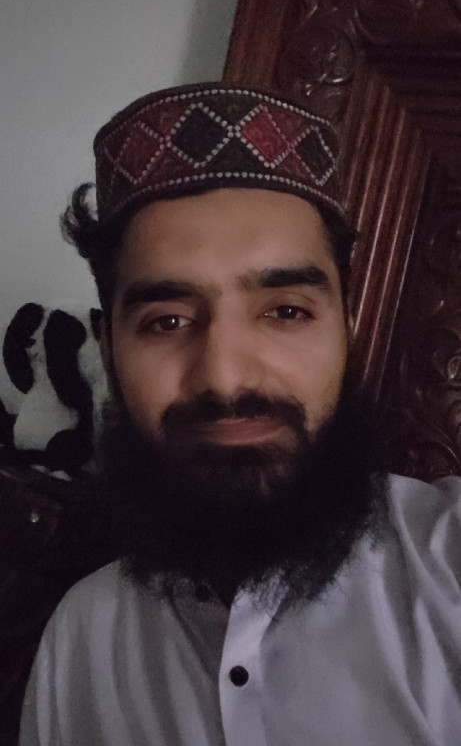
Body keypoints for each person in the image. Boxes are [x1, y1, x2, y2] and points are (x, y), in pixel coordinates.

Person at [19, 83, 461, 745]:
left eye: (285, 311)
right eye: (166, 321)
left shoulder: (447, 568)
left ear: (346, 329)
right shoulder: (81, 638)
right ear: (108, 349)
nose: (224, 378)